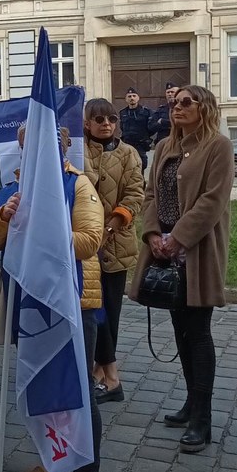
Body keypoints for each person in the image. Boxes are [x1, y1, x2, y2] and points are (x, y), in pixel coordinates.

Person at [0, 124, 105, 472]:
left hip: (71, 304)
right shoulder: (15, 188)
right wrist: (4, 218)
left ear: (61, 148)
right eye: (27, 146)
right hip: (28, 303)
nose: (33, 152)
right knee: (44, 387)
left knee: (75, 388)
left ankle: (84, 466)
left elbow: (91, 239)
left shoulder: (78, 184)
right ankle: (56, 459)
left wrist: (44, 233)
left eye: (43, 145)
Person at [127, 85, 233, 454]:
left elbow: (213, 199)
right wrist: (154, 234)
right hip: (164, 250)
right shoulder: (163, 147)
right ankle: (190, 401)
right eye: (174, 103)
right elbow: (151, 194)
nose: (177, 107)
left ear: (205, 107)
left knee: (198, 331)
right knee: (179, 328)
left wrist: (180, 237)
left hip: (197, 249)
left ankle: (202, 418)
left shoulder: (218, 146)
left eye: (186, 102)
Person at [83, 98, 145, 403]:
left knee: (111, 313)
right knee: (95, 312)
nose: (106, 124)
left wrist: (112, 223)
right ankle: (105, 375)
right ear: (87, 123)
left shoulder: (129, 153)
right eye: (99, 119)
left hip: (116, 243)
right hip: (84, 247)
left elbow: (136, 194)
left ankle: (107, 375)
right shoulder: (77, 151)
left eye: (111, 118)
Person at [118, 88, 153, 169]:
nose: (132, 98)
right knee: (127, 166)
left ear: (138, 98)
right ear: (126, 99)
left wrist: (145, 137)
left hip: (140, 144)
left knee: (142, 165)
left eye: (134, 96)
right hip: (127, 144)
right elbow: (122, 127)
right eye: (129, 96)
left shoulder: (146, 112)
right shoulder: (123, 113)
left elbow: (151, 128)